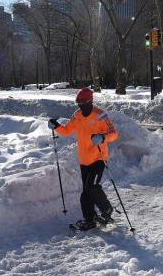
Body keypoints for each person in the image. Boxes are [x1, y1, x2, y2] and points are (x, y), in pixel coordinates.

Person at [48, 87, 118, 231]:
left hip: (99, 158)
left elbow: (114, 133)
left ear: (90, 101)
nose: (80, 104)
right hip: (84, 161)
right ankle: (90, 219)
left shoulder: (100, 115)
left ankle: (107, 210)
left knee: (91, 186)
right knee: (86, 191)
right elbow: (67, 131)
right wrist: (56, 126)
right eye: (78, 102)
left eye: (83, 102)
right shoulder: (77, 115)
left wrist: (103, 137)